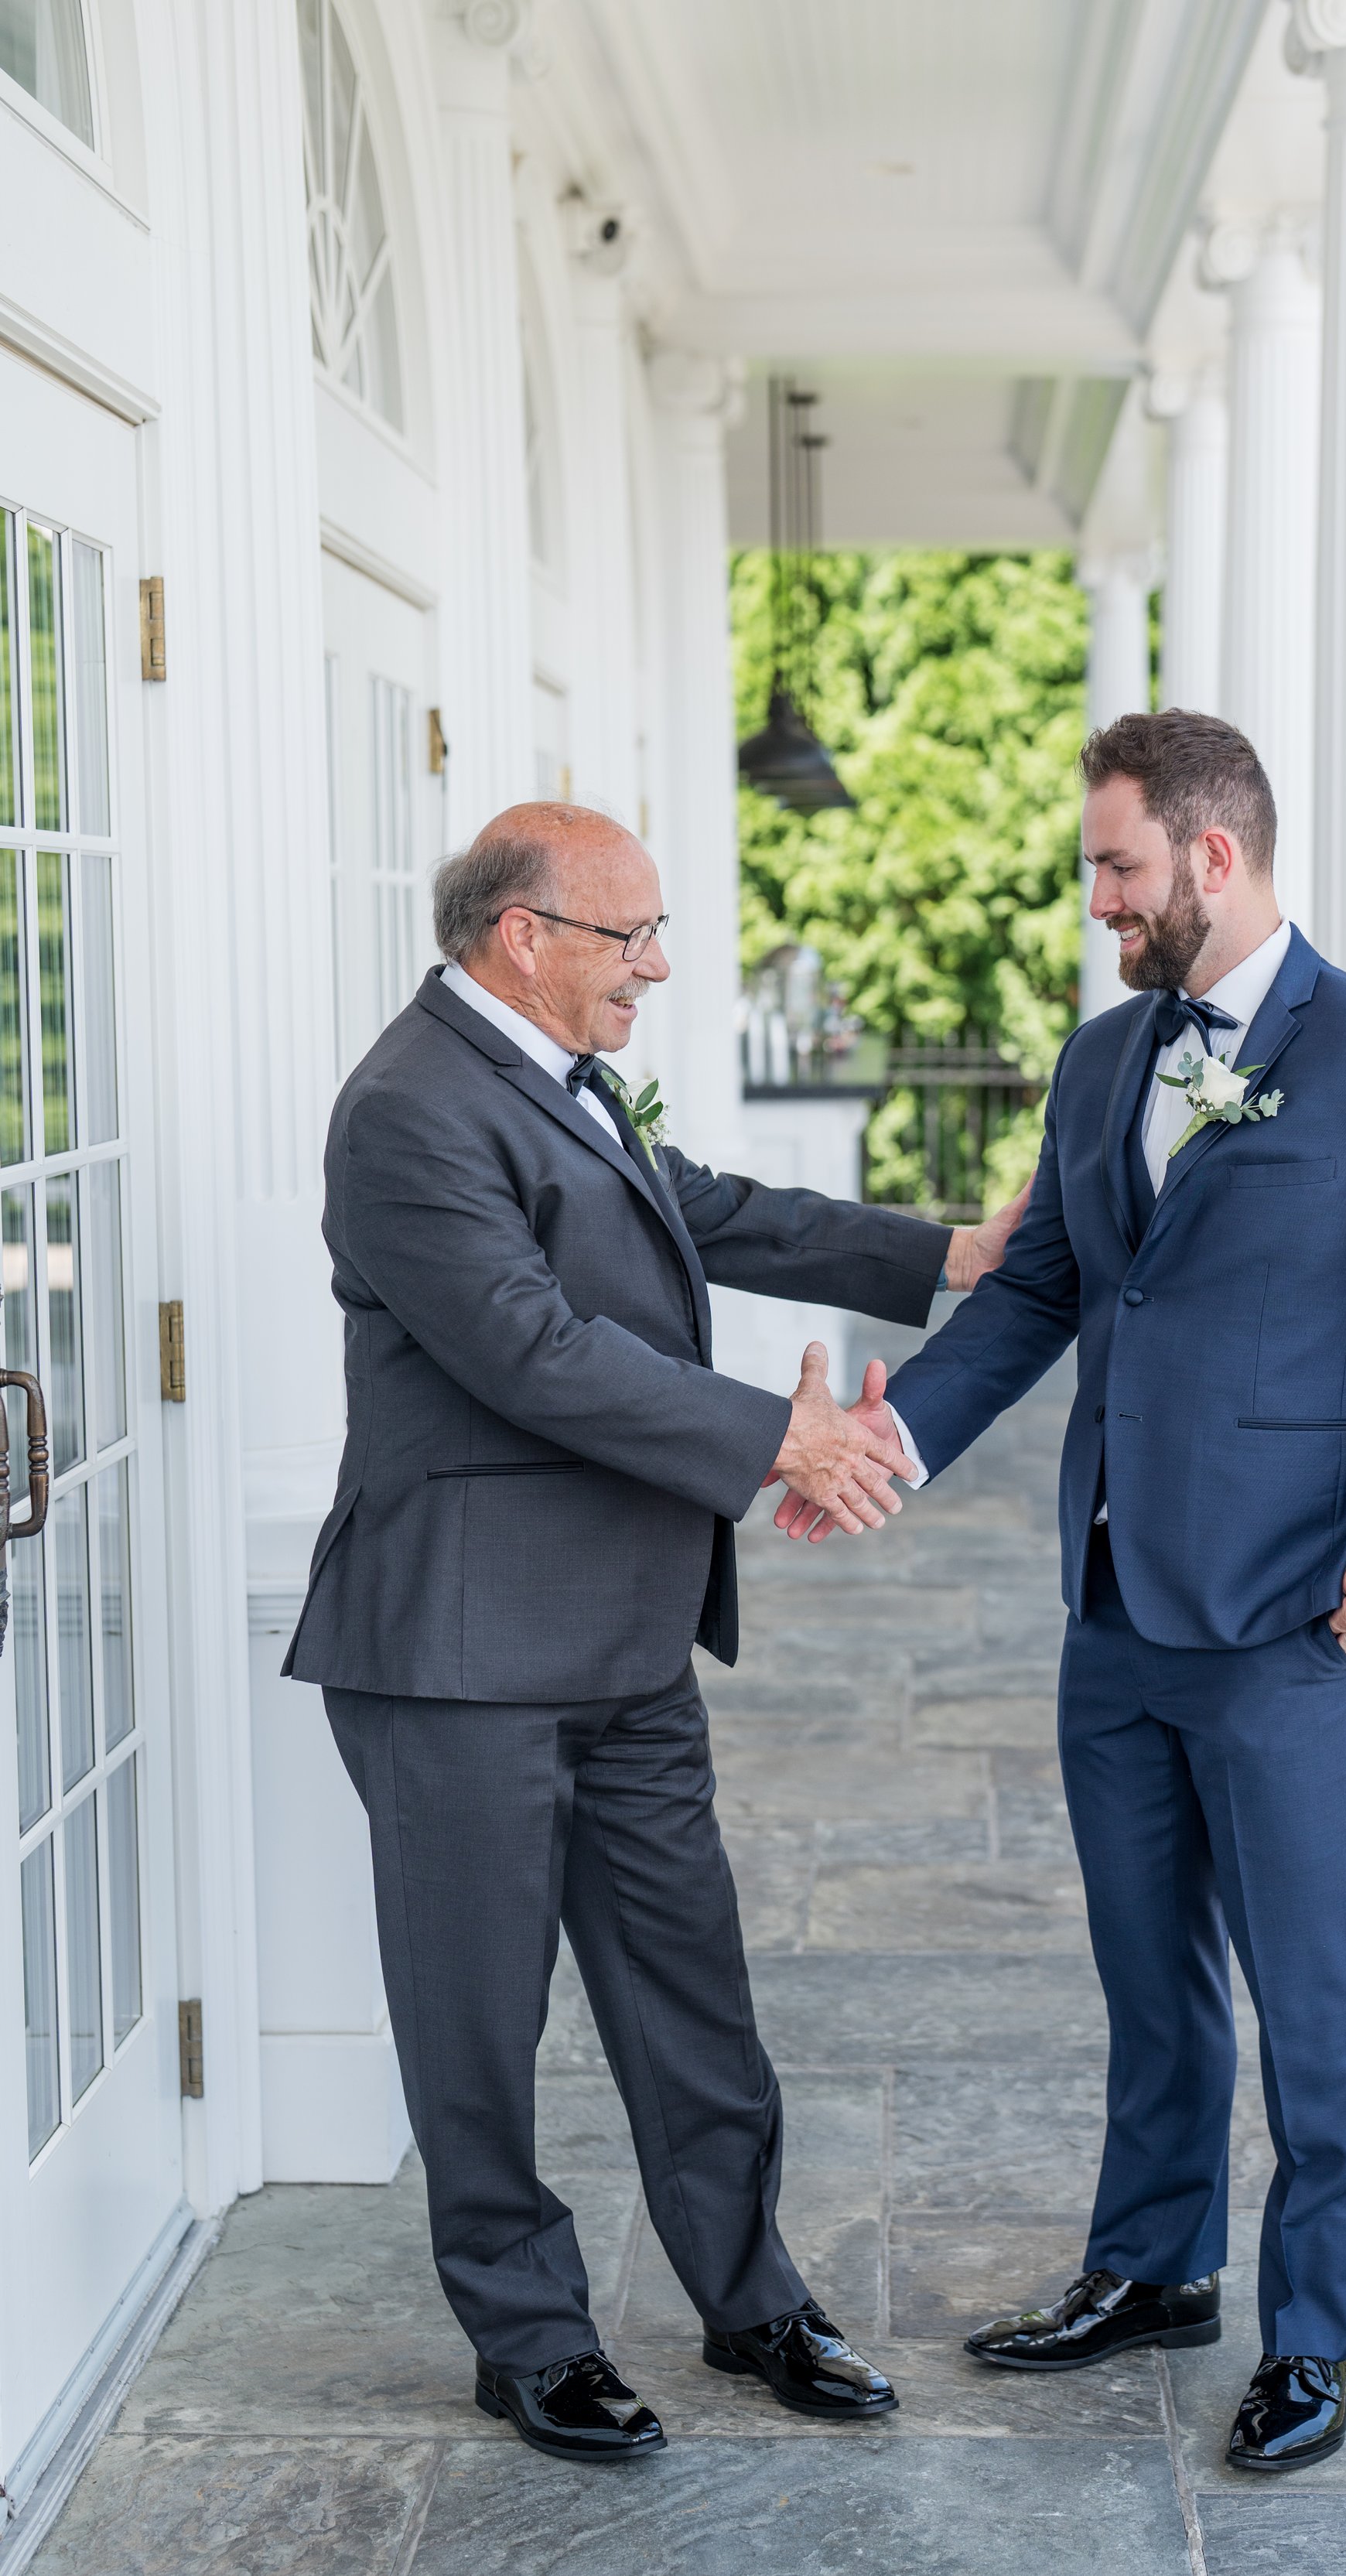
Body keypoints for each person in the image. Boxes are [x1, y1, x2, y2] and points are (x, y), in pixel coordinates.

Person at [774, 712, 1346, 2472]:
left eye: (1116, 868)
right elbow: (1040, 1291)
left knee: (1312, 1989)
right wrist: (883, 1454)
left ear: (1212, 856)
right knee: (1150, 1974)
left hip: (1292, 1614)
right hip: (1115, 1602)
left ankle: (1315, 2341)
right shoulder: (1099, 1059)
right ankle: (1150, 2268)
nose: (1097, 902)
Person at [285, 801, 1027, 2463]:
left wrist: (946, 1252)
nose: (661, 966)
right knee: (475, 2020)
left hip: (620, 1638)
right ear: (521, 935)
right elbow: (530, 1347)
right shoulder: (405, 1109)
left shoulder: (548, 1071)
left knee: (693, 1994)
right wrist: (780, 1436)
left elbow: (691, 1204)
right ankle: (527, 2334)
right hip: (457, 1656)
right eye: (633, 939)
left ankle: (751, 2298)